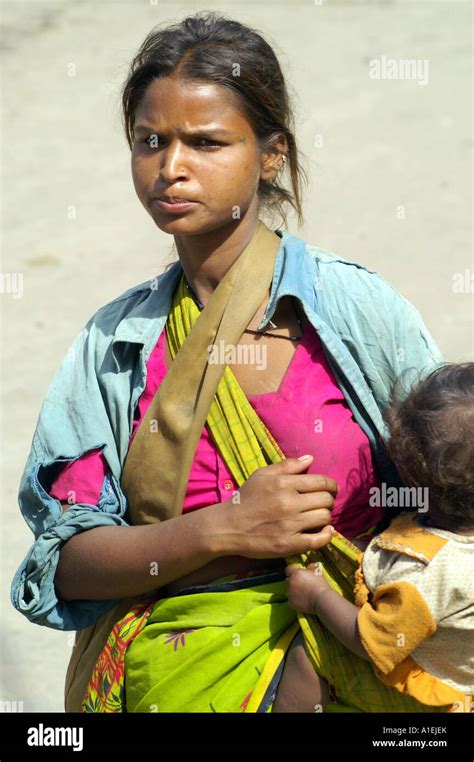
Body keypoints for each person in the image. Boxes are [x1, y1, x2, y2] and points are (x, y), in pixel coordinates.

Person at [10, 12, 444, 713]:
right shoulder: (117, 345)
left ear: (270, 155)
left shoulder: (353, 311)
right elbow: (64, 565)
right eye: (150, 142)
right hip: (177, 674)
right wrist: (222, 529)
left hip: (363, 666)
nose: (171, 167)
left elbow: (453, 490)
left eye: (206, 142)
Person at [275, 362, 474, 713]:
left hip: (428, 695)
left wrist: (318, 597)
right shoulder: (446, 537)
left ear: (412, 477)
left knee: (310, 656)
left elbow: (370, 642)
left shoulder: (424, 575)